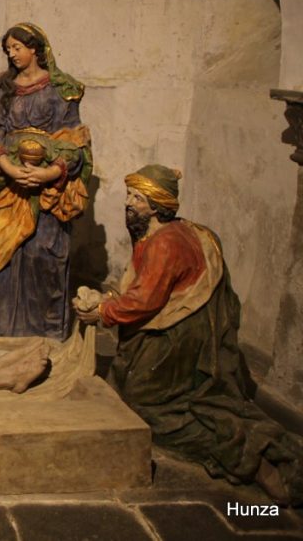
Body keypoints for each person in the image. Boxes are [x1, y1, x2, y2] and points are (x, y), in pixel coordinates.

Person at [74, 166, 303, 505]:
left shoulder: (165, 244)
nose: (129, 203)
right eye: (130, 195)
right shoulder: (175, 231)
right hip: (183, 330)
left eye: (138, 198)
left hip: (176, 341)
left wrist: (102, 312)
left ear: (157, 205)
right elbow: (145, 289)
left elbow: (145, 301)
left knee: (150, 410)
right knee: (127, 387)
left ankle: (251, 456)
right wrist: (111, 300)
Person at [0, 22, 91, 340]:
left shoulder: (61, 88)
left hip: (49, 189)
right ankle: (1, 328)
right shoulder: (2, 86)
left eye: (17, 48)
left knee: (42, 256)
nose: (12, 55)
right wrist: (10, 167)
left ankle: (44, 333)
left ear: (35, 49)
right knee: (4, 252)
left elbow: (75, 141)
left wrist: (50, 172)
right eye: (8, 49)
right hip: (11, 186)